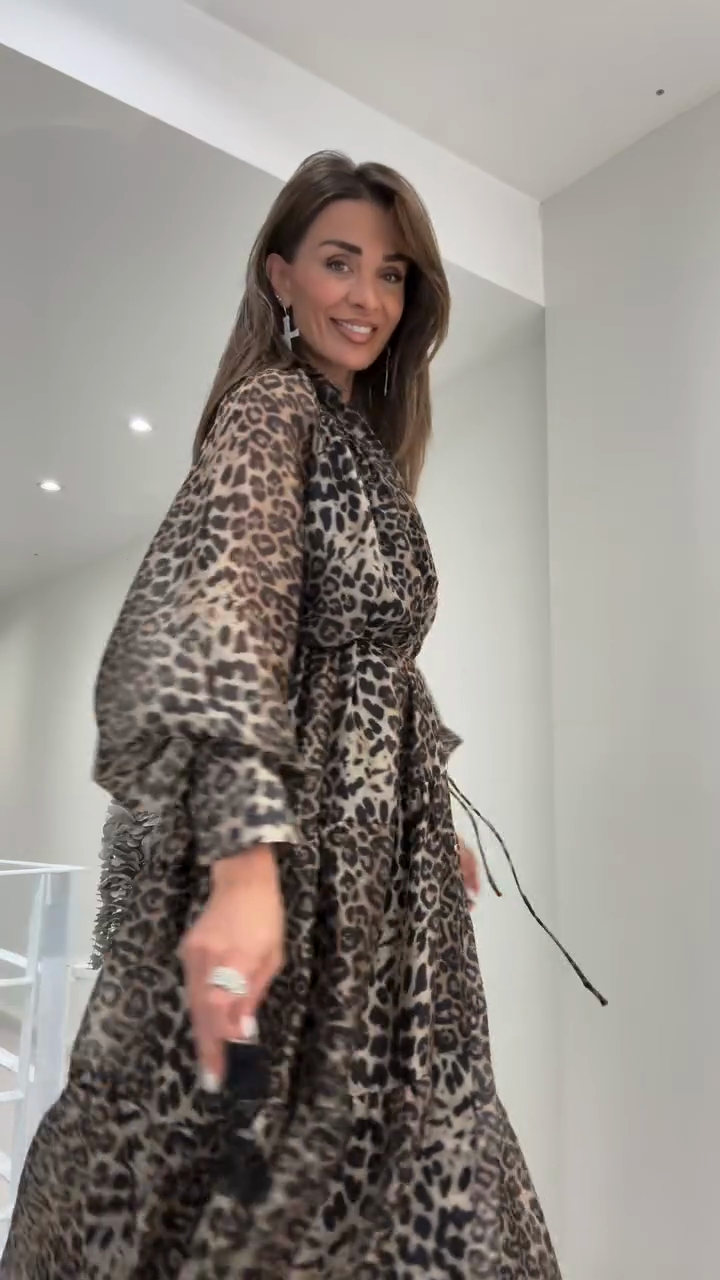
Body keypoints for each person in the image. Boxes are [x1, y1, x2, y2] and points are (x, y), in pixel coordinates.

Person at [2, 151, 563, 1279]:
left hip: (384, 871)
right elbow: (222, 620)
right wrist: (245, 867)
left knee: (389, 1153)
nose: (368, 296)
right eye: (339, 263)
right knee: (262, 1163)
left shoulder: (370, 455)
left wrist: (423, 803)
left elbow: (370, 673)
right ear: (280, 276)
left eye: (393, 274)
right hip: (302, 858)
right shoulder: (272, 409)